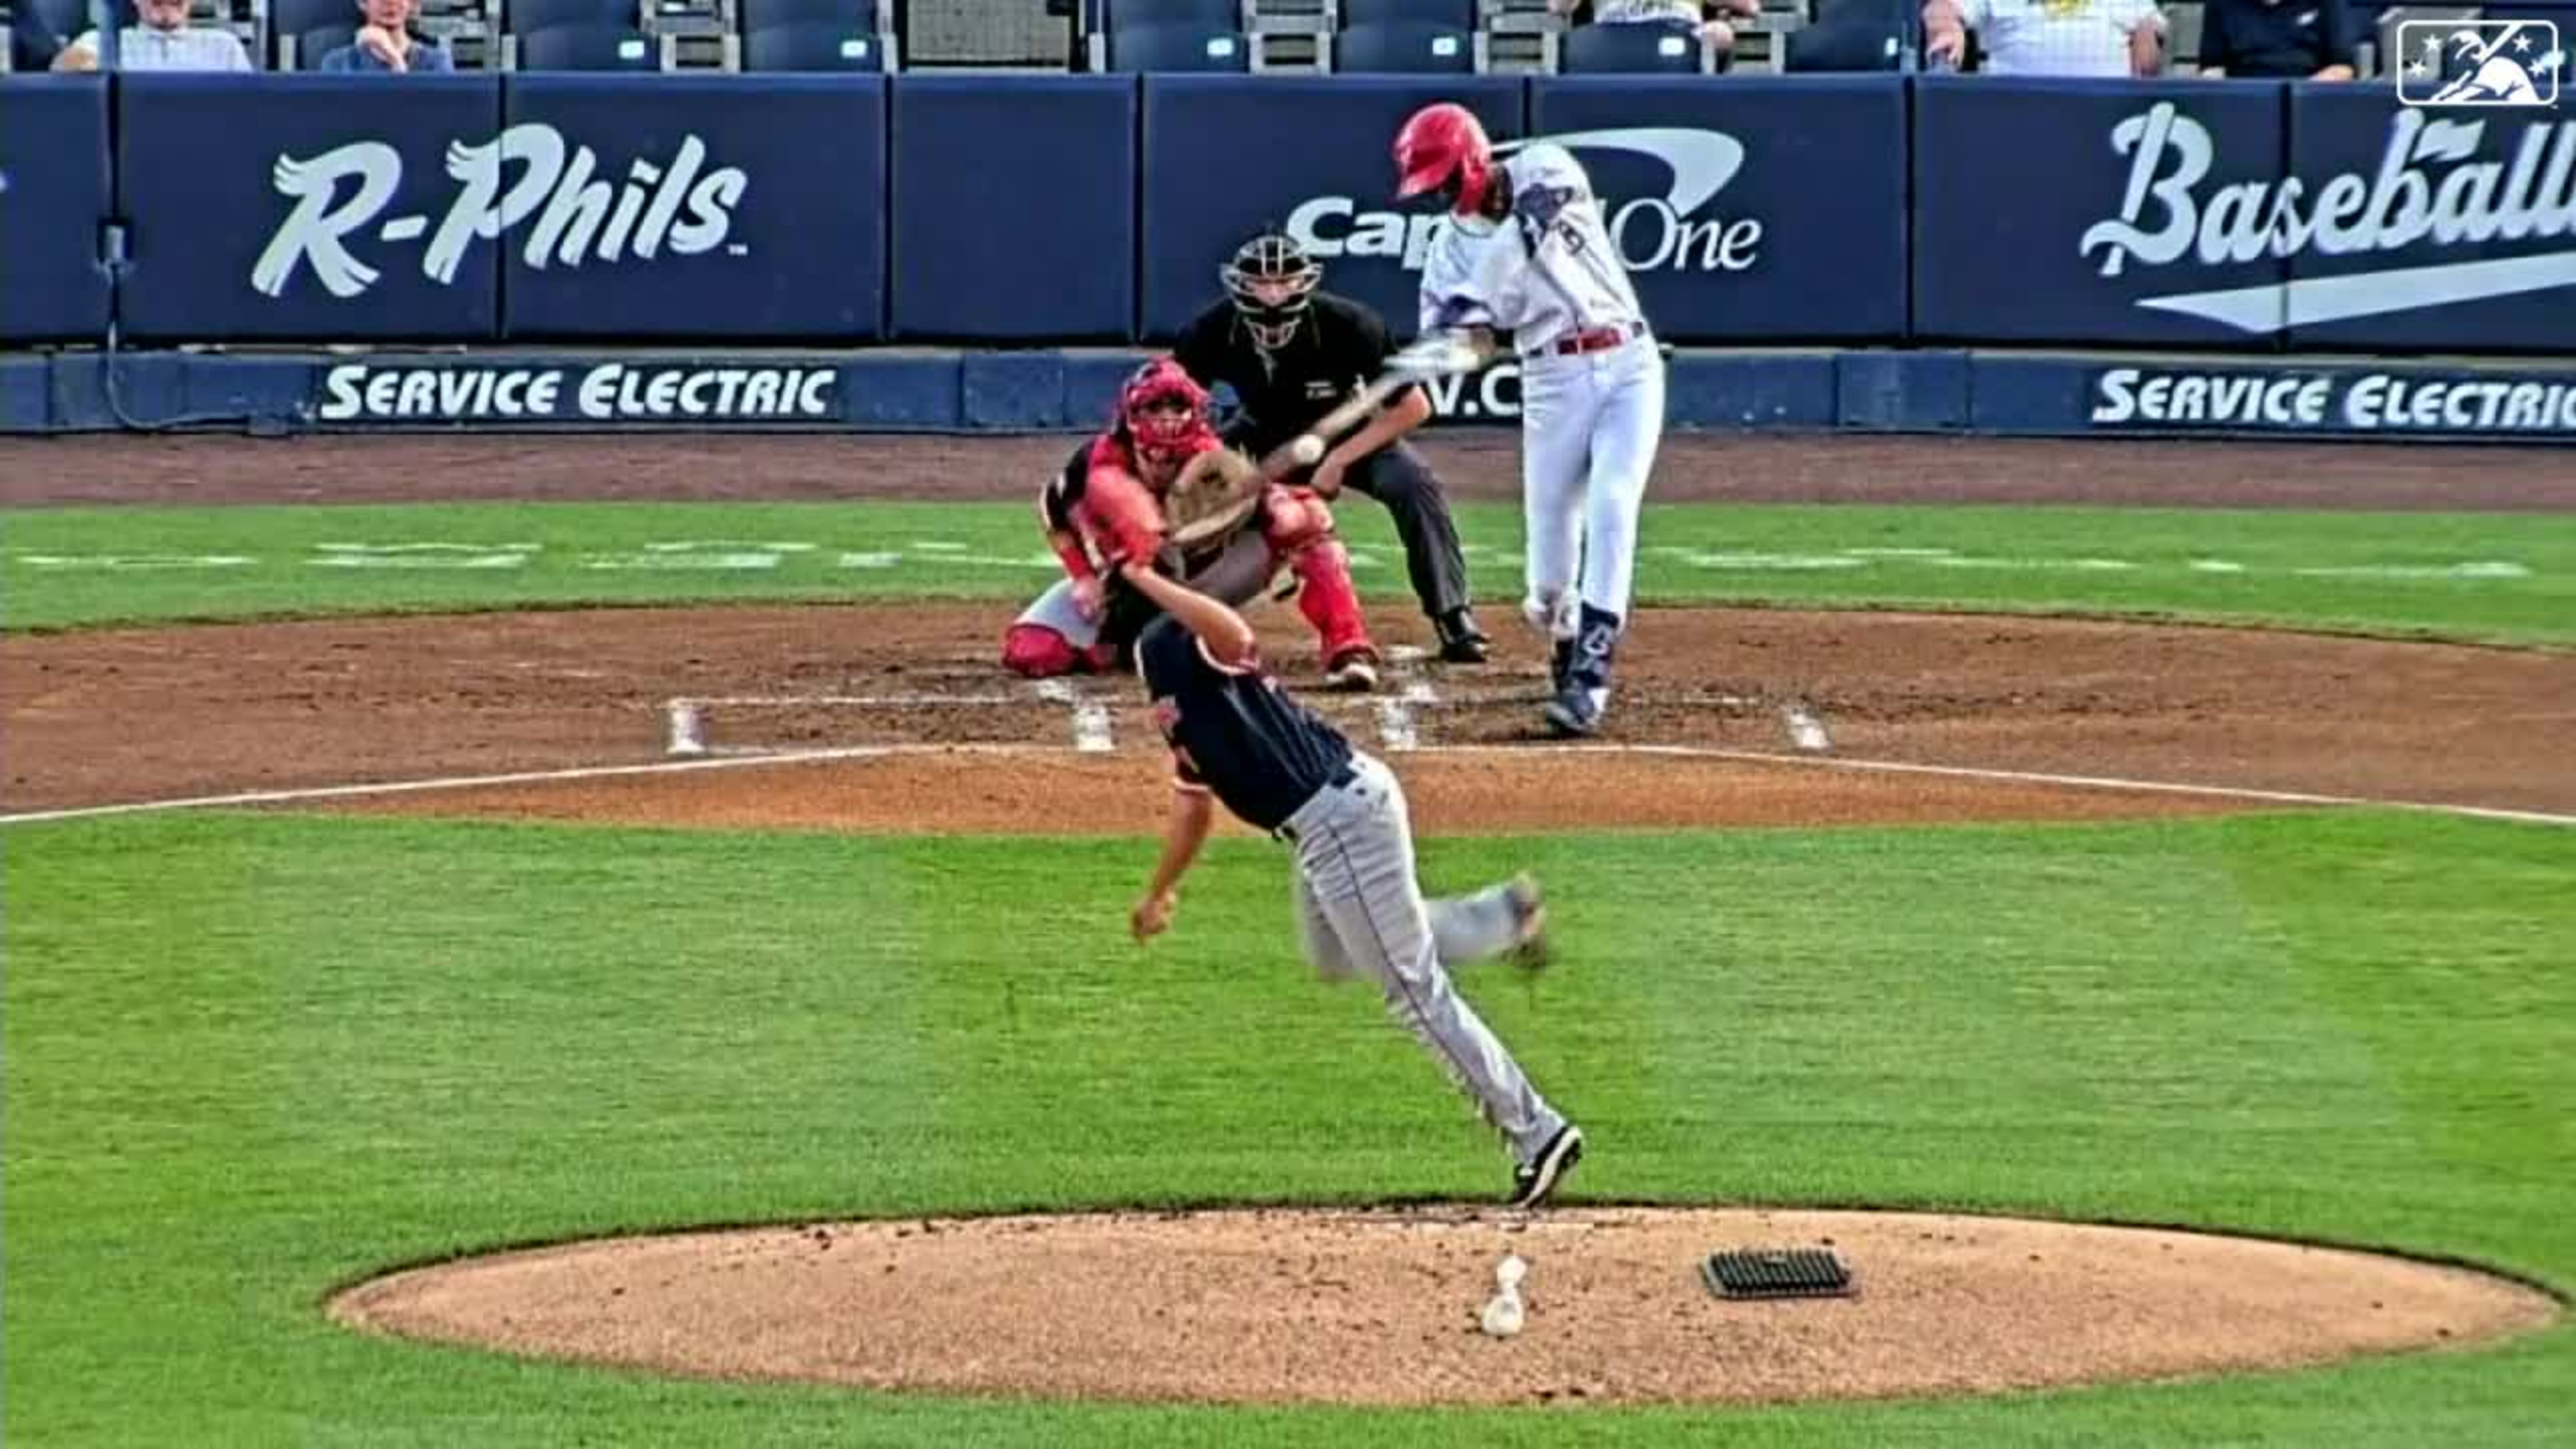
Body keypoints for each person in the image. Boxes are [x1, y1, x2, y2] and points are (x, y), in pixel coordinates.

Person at [1119, 556, 1584, 1210]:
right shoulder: (1165, 687)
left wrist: (1147, 579)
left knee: (1412, 989)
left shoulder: (1170, 640)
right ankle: (1504, 917)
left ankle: (1539, 1133)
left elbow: (1232, 635)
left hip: (1340, 818)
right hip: (1329, 821)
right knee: (1338, 954)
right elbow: (1193, 805)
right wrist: (1159, 892)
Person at [1392, 102, 1664, 739]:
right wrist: (1454, 342)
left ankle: (1590, 678)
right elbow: (1472, 341)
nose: (1446, 199)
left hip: (1628, 360)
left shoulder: (1545, 165)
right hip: (1552, 381)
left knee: (1613, 504)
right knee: (1546, 583)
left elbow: (1527, 233)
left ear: (1474, 159)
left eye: (1448, 182)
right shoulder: (1447, 249)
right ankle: (1566, 629)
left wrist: (1478, 297)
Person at [1172, 228, 1492, 666]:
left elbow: (1413, 408)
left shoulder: (1351, 325)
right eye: (1261, 283)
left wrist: (1339, 460)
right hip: (1258, 432)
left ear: (1305, 282)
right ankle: (1174, 615)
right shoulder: (1209, 330)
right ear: (1239, 285)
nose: (1272, 293)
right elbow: (1177, 408)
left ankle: (1453, 614)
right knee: (1186, 497)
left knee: (1413, 483)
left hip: (1345, 434)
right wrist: (1212, 461)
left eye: (1284, 281)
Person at [1000, 357, 1382, 691]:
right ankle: (1123, 647)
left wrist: (1278, 511)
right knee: (1032, 651)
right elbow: (1052, 508)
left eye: (1177, 406)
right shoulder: (1097, 462)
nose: (1167, 418)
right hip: (1123, 588)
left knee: (1306, 519)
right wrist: (1082, 575)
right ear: (1132, 414)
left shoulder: (1212, 462)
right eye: (1155, 407)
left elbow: (1279, 513)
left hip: (1203, 580)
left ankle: (1348, 647)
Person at [1924, 0, 2166, 77]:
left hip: (2104, 120)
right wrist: (1947, 28)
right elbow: (1939, 8)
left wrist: (2146, 34)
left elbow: (2149, 25)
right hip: (2017, 114)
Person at [1550, 0, 1764, 68]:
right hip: (1612, 36)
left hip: (1679, 33)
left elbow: (1752, 7)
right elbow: (1557, 6)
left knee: (1721, 34)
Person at [53, 0, 255, 70]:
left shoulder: (225, 46)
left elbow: (249, 108)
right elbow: (62, 67)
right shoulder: (101, 41)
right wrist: (83, 65)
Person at [2194, 0, 2354, 80]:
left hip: (2309, 104)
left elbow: (2342, 67)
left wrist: (2302, 95)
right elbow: (2212, 69)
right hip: (2243, 103)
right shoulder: (2221, 4)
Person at [317, 0, 456, 72]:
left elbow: (431, 119)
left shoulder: (437, 62)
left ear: (412, 4)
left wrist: (395, 59)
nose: (390, 2)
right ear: (363, 3)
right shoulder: (338, 63)